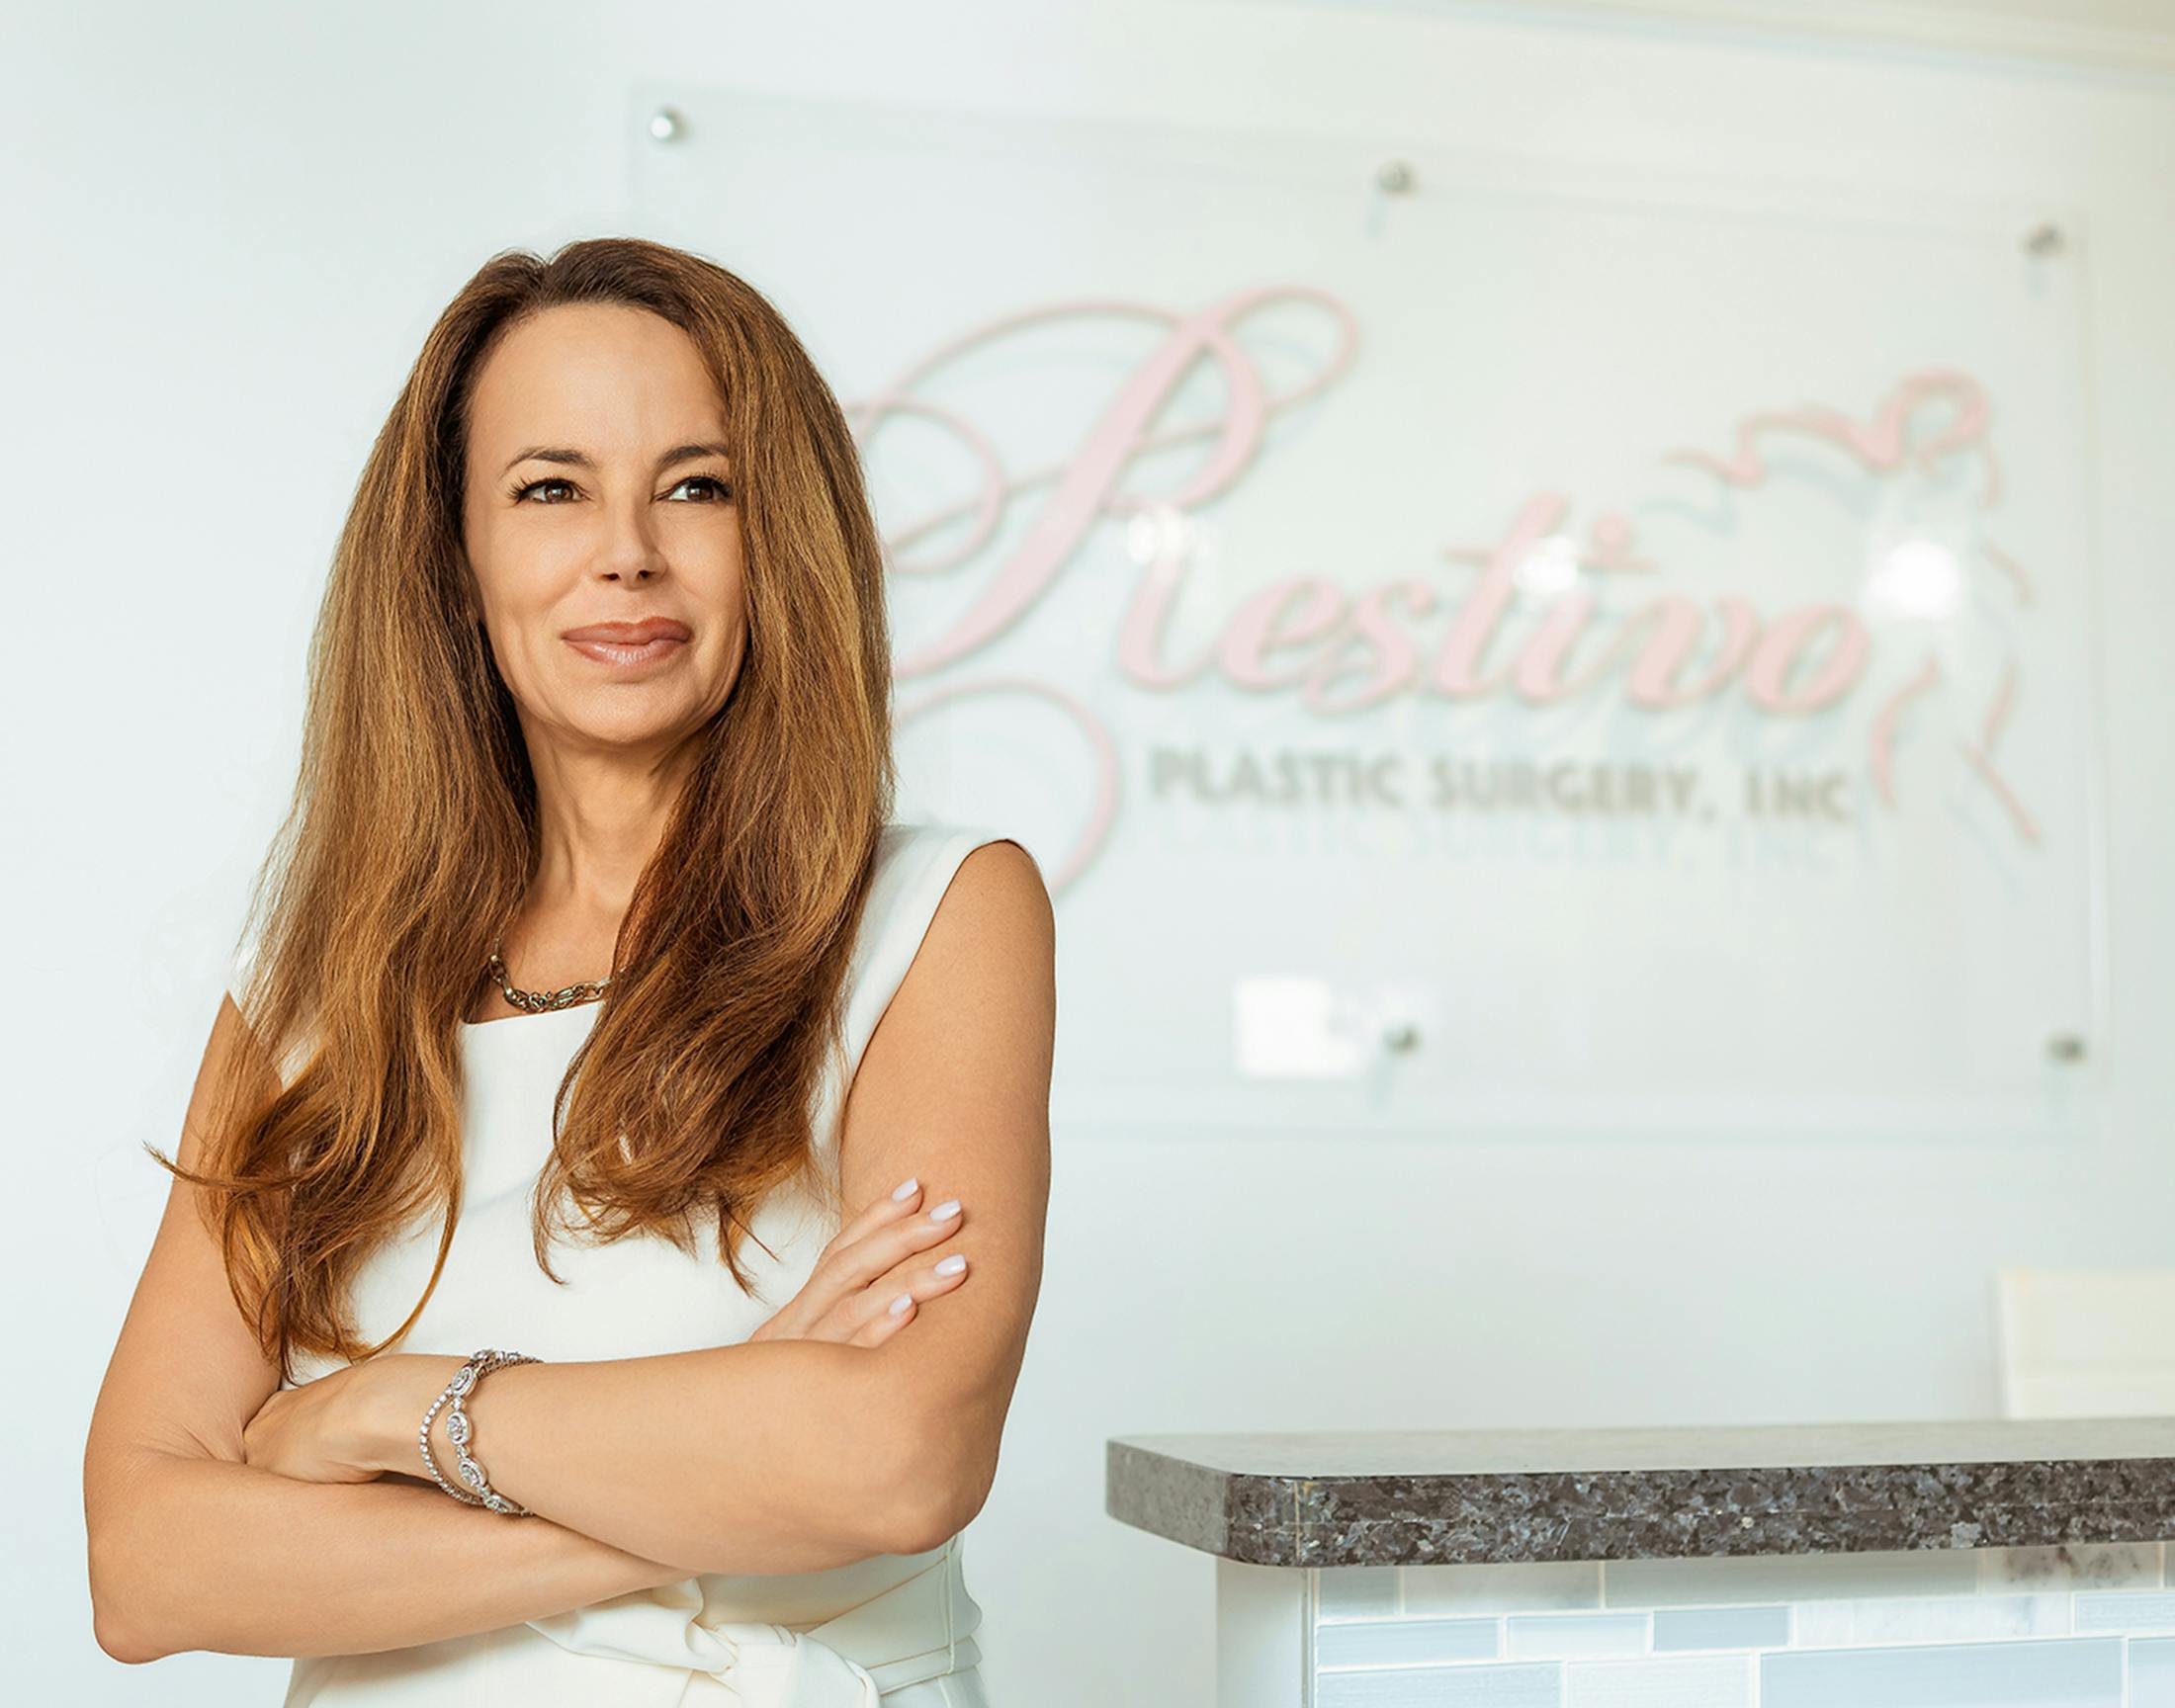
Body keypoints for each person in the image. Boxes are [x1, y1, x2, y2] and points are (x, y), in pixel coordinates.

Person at [82, 236, 1056, 1707]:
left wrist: (385, 1416)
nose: (629, 552)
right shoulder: (310, 985)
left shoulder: (936, 915)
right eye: (551, 488)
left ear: (779, 541)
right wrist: (709, 1476)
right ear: (458, 565)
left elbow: (895, 1462)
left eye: (697, 486)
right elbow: (146, 1571)